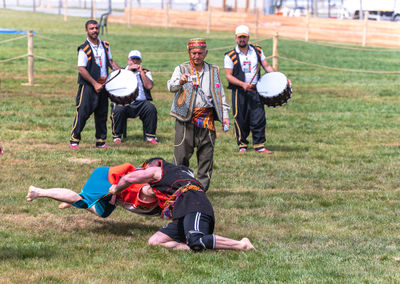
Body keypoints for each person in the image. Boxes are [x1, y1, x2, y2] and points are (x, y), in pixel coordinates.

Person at [109, 157, 255, 251]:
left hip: (194, 203)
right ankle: (200, 246)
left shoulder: (156, 170)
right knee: (155, 241)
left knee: (196, 238)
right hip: (184, 211)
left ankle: (242, 244)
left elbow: (129, 179)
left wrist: (116, 189)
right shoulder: (176, 173)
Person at [167, 38, 230, 191]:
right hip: (185, 118)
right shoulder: (181, 68)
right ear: (189, 52)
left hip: (207, 119)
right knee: (181, 156)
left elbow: (219, 93)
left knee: (206, 157)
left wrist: (225, 115)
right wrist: (180, 82)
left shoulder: (214, 70)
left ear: (206, 53)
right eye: (194, 53)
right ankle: (179, 188)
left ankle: (200, 190)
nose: (196, 56)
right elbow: (170, 86)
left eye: (200, 53)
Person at [225, 25, 289, 154]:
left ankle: (259, 145)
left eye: (244, 36)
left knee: (258, 117)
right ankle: (242, 145)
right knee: (240, 118)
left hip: (256, 90)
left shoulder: (257, 50)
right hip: (239, 92)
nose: (242, 39)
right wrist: (242, 84)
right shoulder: (230, 55)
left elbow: (267, 66)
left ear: (248, 37)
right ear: (236, 38)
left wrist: (281, 79)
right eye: (239, 37)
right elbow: (228, 76)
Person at [26, 163, 166, 217]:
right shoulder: (138, 181)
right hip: (106, 177)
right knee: (83, 202)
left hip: (112, 194)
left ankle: (75, 199)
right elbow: (125, 169)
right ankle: (38, 192)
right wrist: (115, 187)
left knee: (103, 213)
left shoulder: (159, 203)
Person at [69, 19, 120, 150]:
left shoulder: (105, 45)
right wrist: (94, 83)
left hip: (104, 84)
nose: (94, 31)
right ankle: (74, 140)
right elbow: (81, 69)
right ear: (86, 31)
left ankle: (101, 141)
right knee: (83, 113)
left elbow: (110, 62)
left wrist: (121, 72)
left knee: (102, 114)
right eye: (91, 28)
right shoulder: (84, 48)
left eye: (96, 28)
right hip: (88, 86)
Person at [110, 50, 158, 145]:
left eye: (137, 60)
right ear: (128, 60)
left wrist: (141, 73)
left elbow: (149, 86)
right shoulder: (122, 71)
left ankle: (150, 136)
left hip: (141, 102)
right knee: (118, 110)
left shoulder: (146, 72)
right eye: (133, 59)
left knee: (151, 108)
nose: (135, 62)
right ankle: (117, 136)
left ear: (140, 61)